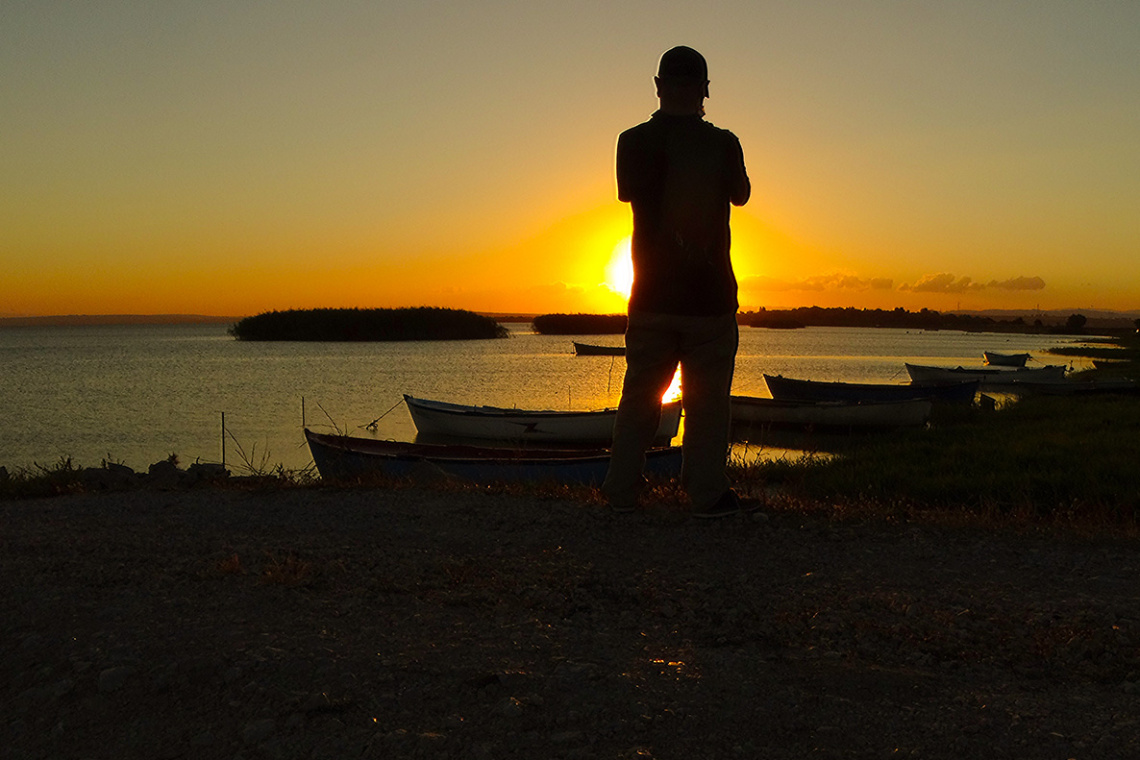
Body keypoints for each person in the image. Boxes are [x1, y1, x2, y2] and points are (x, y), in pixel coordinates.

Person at [602, 45, 751, 518]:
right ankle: (706, 495)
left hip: (651, 299)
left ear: (659, 87)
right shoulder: (724, 143)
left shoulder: (631, 140)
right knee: (708, 408)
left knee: (639, 401)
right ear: (705, 91)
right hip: (709, 301)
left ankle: (621, 493)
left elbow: (629, 191)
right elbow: (742, 195)